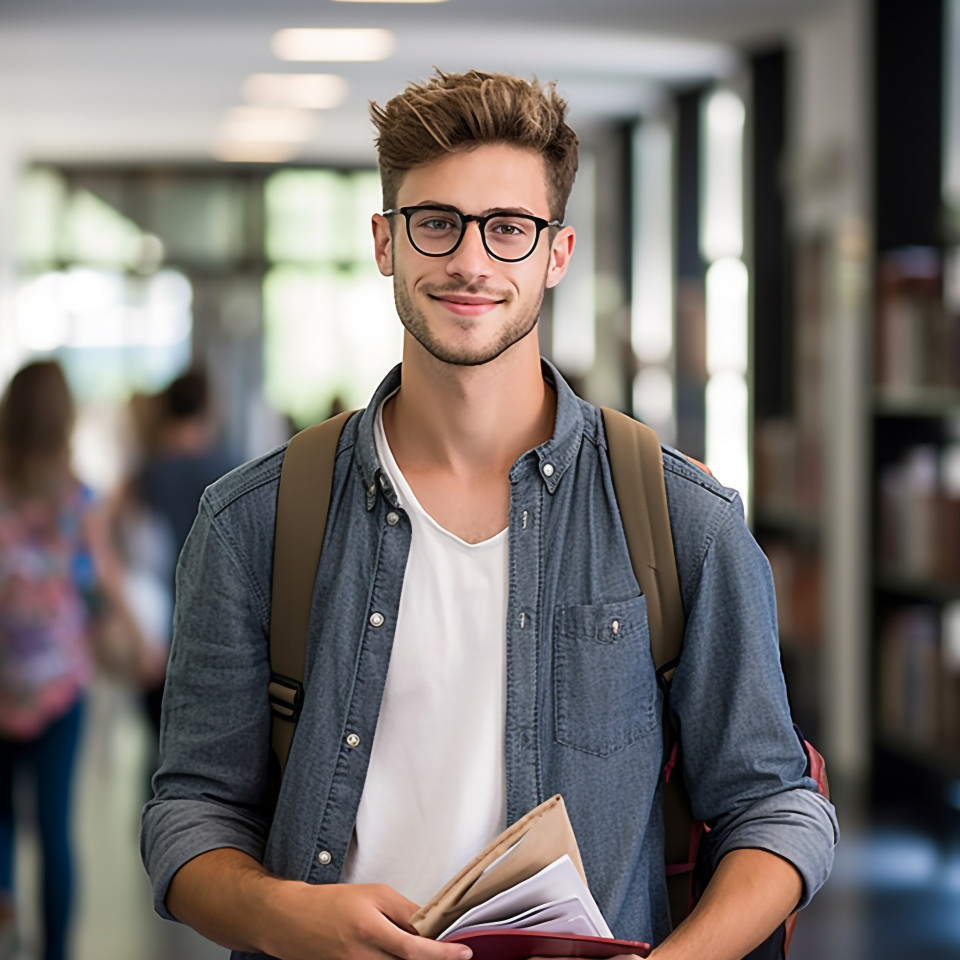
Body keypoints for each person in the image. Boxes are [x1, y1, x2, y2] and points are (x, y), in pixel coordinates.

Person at [140, 70, 838, 960]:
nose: (471, 262)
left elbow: (776, 807)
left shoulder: (682, 519)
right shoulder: (254, 522)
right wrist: (290, 919)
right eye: (436, 223)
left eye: (509, 228)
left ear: (557, 252)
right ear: (386, 242)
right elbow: (188, 814)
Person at [0, 360, 150, 960]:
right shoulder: (77, 498)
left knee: (4, 817)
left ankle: (6, 909)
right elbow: (103, 584)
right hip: (61, 683)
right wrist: (142, 643)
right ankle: (56, 951)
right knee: (57, 827)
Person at [126, 369, 237, 742]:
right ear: (207, 408)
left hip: (156, 636)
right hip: (216, 635)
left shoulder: (145, 474)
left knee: (159, 755)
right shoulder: (233, 470)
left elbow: (120, 549)